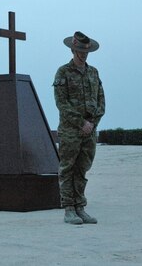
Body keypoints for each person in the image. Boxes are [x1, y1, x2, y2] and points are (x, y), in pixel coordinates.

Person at [53, 31, 105, 225]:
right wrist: (81, 123)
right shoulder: (63, 72)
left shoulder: (93, 72)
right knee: (67, 168)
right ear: (73, 50)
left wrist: (92, 124)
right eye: (79, 51)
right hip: (70, 130)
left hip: (90, 130)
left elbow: (101, 100)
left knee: (82, 169)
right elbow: (62, 103)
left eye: (85, 52)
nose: (83, 55)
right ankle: (68, 209)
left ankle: (80, 207)